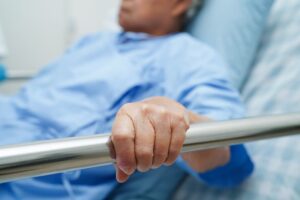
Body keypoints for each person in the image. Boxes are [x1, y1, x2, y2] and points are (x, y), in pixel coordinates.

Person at [0, 0, 254, 199]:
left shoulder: (188, 55)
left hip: (22, 177)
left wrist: (182, 121)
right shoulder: (93, 42)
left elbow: (228, 159)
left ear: (179, 3)